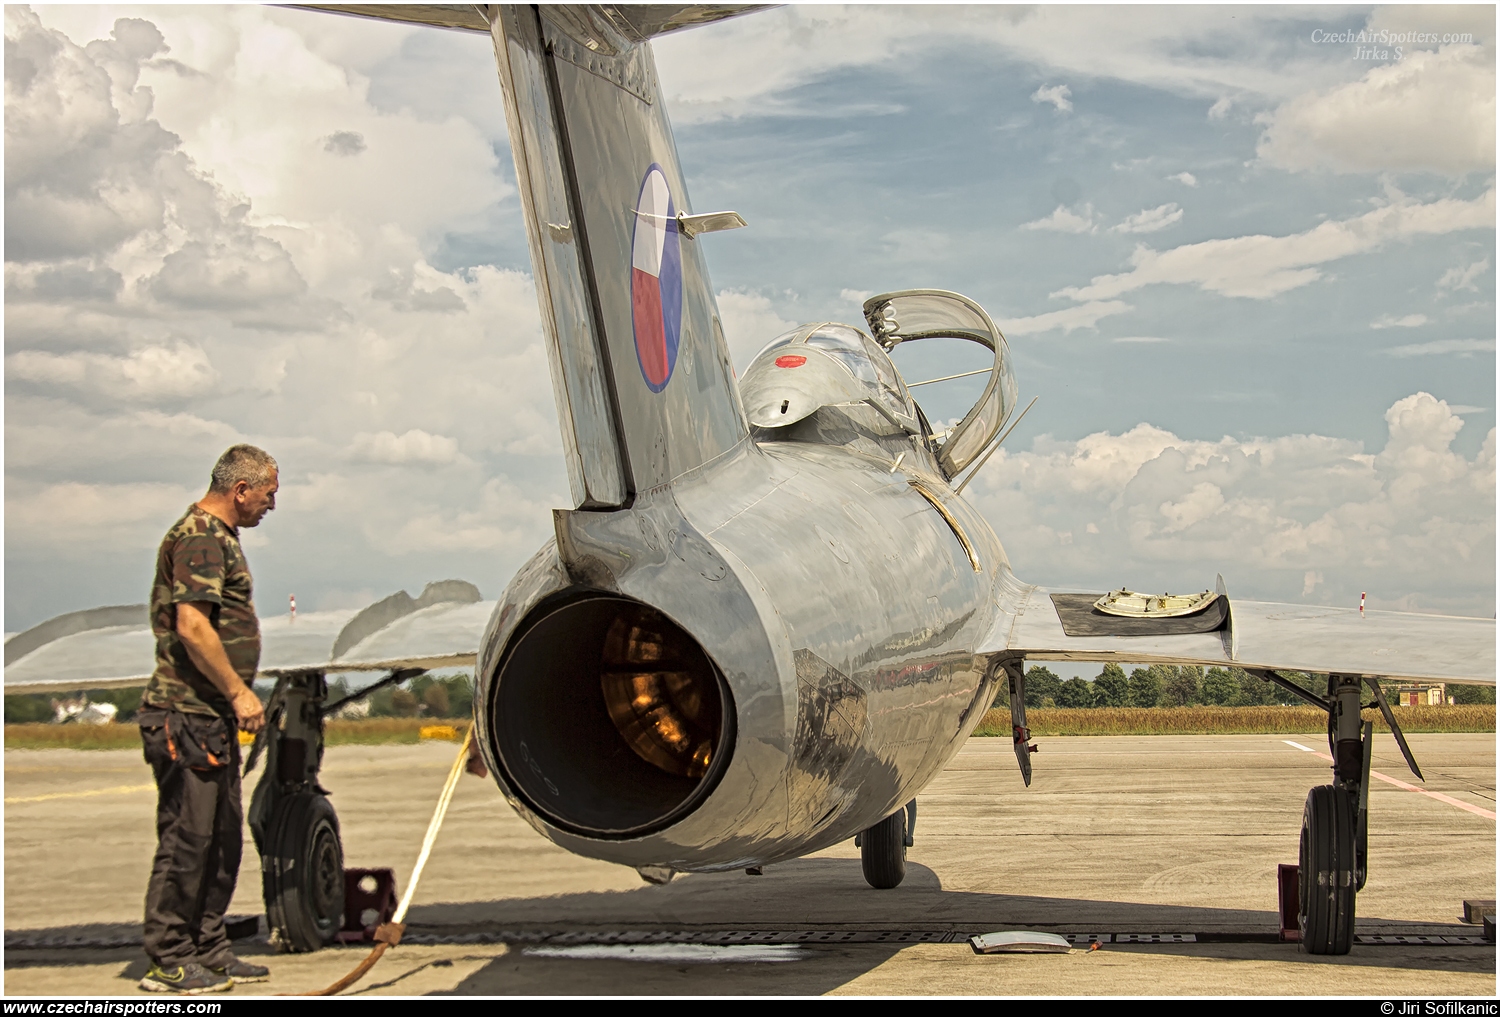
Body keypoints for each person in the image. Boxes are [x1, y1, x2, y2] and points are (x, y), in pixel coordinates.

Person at [137, 445, 278, 994]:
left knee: (220, 839)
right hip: (185, 717)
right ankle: (170, 957)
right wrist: (240, 693)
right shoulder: (198, 538)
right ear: (240, 490)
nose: (271, 505)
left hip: (209, 719)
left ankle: (210, 948)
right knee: (187, 839)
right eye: (268, 493)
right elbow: (192, 626)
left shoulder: (218, 539)